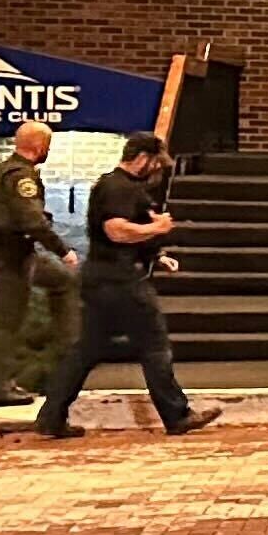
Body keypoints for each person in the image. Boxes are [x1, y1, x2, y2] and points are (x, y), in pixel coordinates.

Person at [37, 130, 204, 440]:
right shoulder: (120, 188)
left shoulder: (116, 186)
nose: (158, 170)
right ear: (142, 158)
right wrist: (158, 228)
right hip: (120, 280)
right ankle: (177, 415)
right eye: (155, 163)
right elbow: (117, 231)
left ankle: (51, 416)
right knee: (155, 346)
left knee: (86, 350)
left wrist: (157, 254)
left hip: (102, 278)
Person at [0, 118, 80, 408]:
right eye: (48, 144)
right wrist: (64, 250)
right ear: (39, 145)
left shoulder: (2, 169)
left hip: (14, 251)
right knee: (8, 321)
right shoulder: (21, 176)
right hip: (12, 255)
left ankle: (72, 356)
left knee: (63, 281)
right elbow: (31, 220)